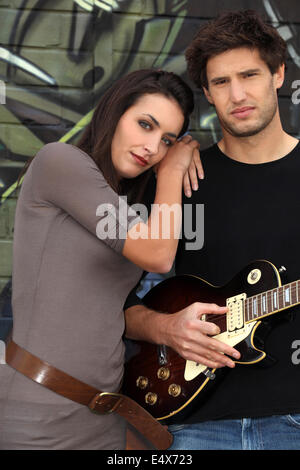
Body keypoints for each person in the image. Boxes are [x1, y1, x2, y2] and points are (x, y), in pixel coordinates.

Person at [124, 10, 300, 450]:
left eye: (249, 75)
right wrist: (166, 330)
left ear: (278, 74)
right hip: (191, 424)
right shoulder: (176, 182)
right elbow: (112, 305)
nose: (237, 94)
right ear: (206, 91)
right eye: (221, 82)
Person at [0, 69, 198, 450]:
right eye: (145, 124)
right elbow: (158, 255)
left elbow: (109, 311)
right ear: (114, 112)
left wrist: (169, 326)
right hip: (36, 414)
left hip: (104, 419)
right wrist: (173, 169)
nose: (152, 147)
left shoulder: (129, 211)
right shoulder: (58, 161)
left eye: (167, 140)